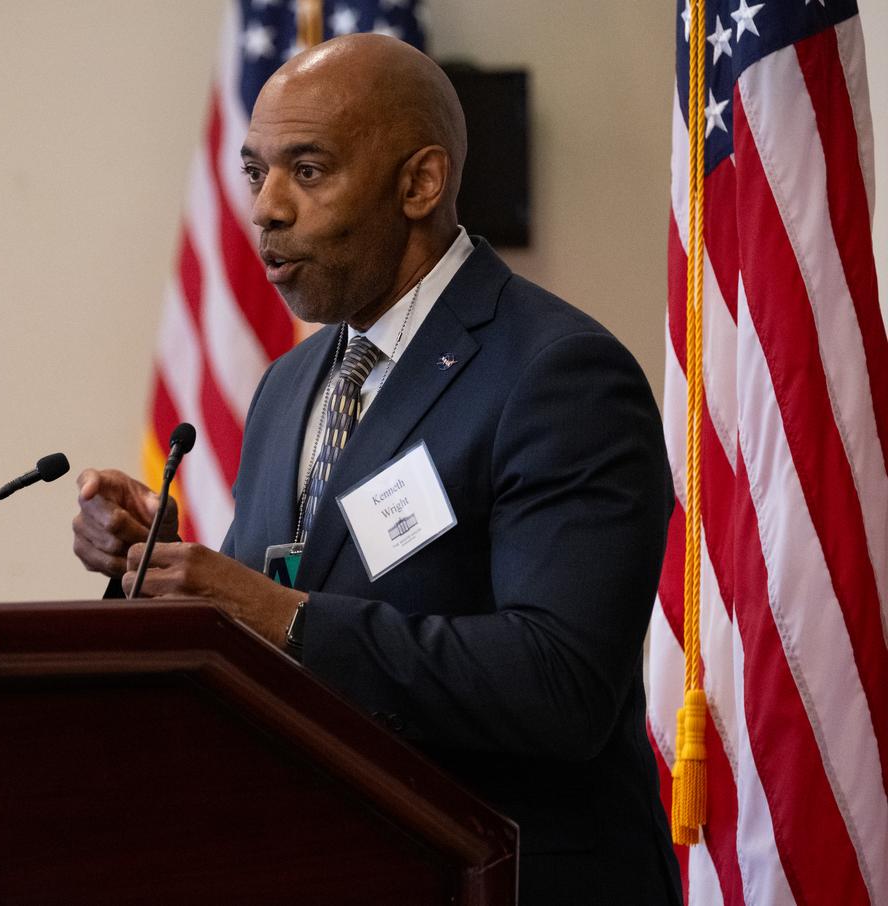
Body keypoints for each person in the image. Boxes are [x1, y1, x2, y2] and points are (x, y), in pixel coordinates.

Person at [73, 33, 681, 904]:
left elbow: (560, 685)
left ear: (419, 183)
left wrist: (273, 612)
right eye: (255, 173)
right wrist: (165, 568)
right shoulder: (289, 385)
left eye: (308, 171)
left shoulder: (558, 374)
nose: (266, 209)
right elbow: (280, 618)